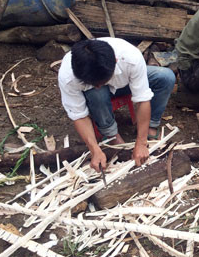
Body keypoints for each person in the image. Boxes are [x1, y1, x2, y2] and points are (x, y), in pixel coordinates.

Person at [58, 37, 175, 171]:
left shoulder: (130, 58)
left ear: (115, 62)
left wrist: (141, 142)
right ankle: (111, 135)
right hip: (95, 95)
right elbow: (79, 115)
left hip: (122, 83)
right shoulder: (69, 75)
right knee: (96, 92)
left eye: (100, 82)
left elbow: (142, 100)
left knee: (166, 77)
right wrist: (94, 149)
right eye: (92, 83)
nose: (97, 85)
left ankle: (150, 126)